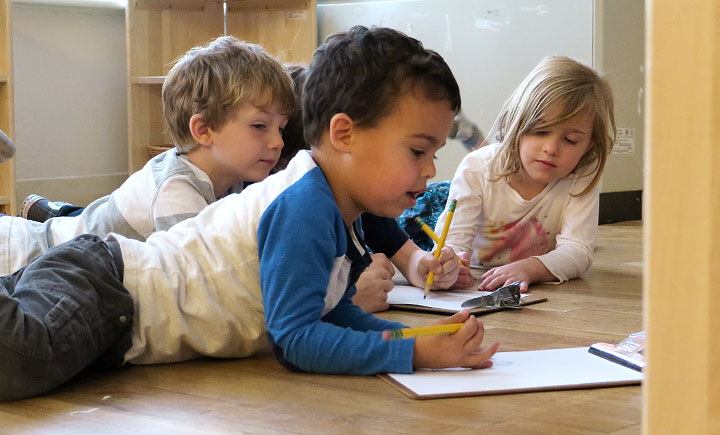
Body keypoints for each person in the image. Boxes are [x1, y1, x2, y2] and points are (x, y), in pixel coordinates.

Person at [0, 25, 499, 402]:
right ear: (344, 134)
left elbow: (331, 313)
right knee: (18, 361)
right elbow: (297, 341)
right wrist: (411, 353)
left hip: (106, 299)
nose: (431, 170)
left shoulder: (336, 207)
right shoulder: (304, 205)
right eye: (418, 151)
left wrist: (419, 336)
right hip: (104, 293)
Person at [0, 35, 295, 275]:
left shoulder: (234, 178)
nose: (277, 142)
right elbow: (202, 270)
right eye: (260, 126)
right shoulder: (176, 189)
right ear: (203, 129)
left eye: (280, 129)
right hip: (32, 259)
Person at [435, 55, 616, 292]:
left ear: (590, 145)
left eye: (570, 140)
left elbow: (578, 250)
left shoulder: (581, 175)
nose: (551, 149)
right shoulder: (476, 168)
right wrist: (451, 268)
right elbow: (453, 243)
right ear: (516, 124)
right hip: (467, 249)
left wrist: (529, 269)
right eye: (540, 132)